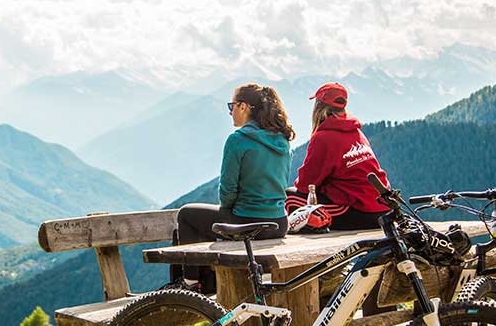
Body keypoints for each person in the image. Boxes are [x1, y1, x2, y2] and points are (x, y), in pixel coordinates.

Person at [166, 83, 293, 293]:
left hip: (248, 222)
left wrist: (229, 209)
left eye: (231, 106)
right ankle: (205, 281)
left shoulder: (238, 139)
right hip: (278, 223)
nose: (230, 112)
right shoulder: (282, 140)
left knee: (187, 215)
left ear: (244, 107)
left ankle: (190, 284)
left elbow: (227, 193)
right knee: (207, 219)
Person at [290, 82, 390, 230]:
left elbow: (306, 185)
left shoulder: (323, 137)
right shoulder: (356, 131)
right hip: (383, 208)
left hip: (359, 211)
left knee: (289, 198)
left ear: (318, 106)